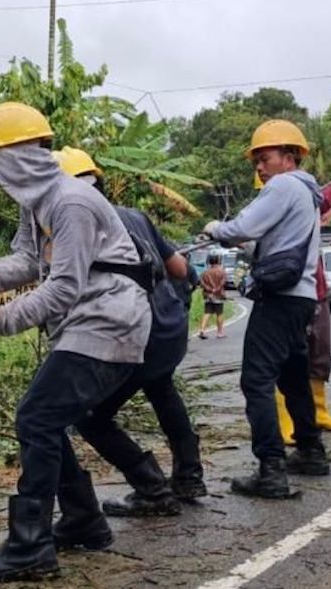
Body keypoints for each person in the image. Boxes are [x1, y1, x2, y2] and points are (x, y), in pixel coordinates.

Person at [0, 104, 151, 582]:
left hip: (108, 321)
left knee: (36, 416)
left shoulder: (71, 202)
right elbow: (26, 260)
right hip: (87, 323)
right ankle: (83, 520)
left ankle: (30, 546)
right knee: (46, 418)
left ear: (17, 156)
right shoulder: (36, 204)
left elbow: (63, 288)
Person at [52, 146, 207, 514]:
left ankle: (152, 488)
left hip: (135, 334)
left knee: (88, 415)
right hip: (169, 328)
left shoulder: (73, 225)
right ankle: (189, 476)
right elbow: (181, 270)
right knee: (161, 387)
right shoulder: (134, 215)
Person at [201, 119, 327, 498]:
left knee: (255, 381)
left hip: (280, 298)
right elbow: (264, 243)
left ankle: (270, 470)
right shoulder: (307, 193)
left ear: (289, 158)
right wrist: (245, 245)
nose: (259, 166)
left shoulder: (284, 185)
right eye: (256, 160)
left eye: (265, 157)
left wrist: (215, 228)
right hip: (302, 297)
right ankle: (310, 451)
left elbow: (241, 227)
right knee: (291, 378)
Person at [277, 165, 331, 445]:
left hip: (316, 290)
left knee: (320, 352)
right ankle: (286, 420)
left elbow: (322, 200)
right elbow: (320, 201)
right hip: (288, 291)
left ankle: (319, 411)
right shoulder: (277, 200)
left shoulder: (305, 199)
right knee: (288, 358)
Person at [198, 252, 227, 339]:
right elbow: (223, 282)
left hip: (208, 295)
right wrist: (216, 289)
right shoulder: (222, 272)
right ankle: (220, 332)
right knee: (219, 313)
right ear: (218, 261)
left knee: (207, 313)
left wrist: (210, 290)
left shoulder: (205, 273)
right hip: (218, 295)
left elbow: (202, 284)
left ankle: (202, 330)